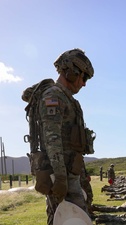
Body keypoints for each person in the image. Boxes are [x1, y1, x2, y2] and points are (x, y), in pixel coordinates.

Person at [22, 48, 95, 225]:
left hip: (70, 171)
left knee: (68, 218)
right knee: (70, 219)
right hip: (61, 174)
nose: (84, 83)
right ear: (71, 72)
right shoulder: (54, 96)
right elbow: (52, 138)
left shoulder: (65, 97)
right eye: (83, 77)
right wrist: (61, 179)